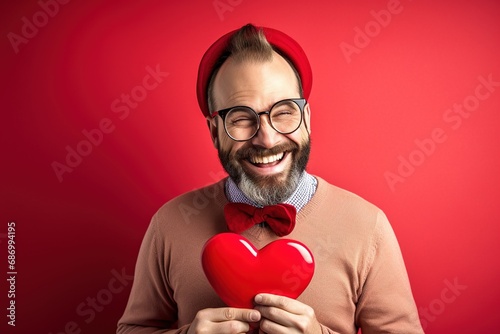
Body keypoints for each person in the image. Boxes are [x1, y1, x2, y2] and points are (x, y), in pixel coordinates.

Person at [117, 23, 424, 334]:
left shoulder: (367, 225)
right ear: (214, 132)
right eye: (240, 118)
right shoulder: (169, 223)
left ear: (306, 118)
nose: (266, 138)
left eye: (284, 112)